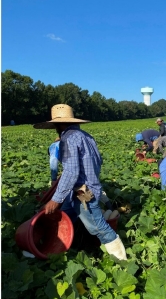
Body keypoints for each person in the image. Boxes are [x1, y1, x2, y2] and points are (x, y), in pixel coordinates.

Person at [33, 104, 127, 260]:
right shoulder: (86, 136)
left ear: (58, 123)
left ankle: (122, 262)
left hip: (83, 192)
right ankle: (60, 247)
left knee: (98, 228)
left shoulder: (68, 138)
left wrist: (56, 199)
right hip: (80, 189)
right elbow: (97, 161)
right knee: (65, 216)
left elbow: (71, 171)